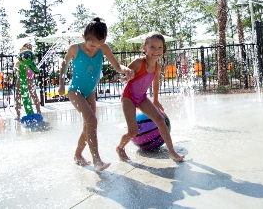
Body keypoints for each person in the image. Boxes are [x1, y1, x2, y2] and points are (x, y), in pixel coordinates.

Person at [58, 17, 134, 172]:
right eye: (92, 45)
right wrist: (61, 83)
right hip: (75, 91)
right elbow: (64, 64)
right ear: (84, 37)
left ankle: (78, 155)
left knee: (89, 125)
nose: (94, 48)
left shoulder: (103, 48)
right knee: (92, 120)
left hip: (90, 92)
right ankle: (96, 160)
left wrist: (126, 70)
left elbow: (117, 66)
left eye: (99, 44)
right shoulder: (75, 49)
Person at [116, 32, 185, 162]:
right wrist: (125, 77)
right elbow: (124, 74)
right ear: (145, 48)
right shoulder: (138, 62)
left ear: (163, 49)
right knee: (133, 131)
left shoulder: (157, 67)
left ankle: (172, 152)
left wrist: (155, 100)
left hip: (142, 97)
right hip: (128, 97)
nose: (156, 50)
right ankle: (120, 148)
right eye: (152, 47)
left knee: (160, 120)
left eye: (160, 47)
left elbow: (156, 82)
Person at [14, 43, 41, 120]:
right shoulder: (20, 59)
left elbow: (34, 69)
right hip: (20, 79)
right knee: (18, 96)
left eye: (30, 48)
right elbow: (16, 67)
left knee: (34, 95)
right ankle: (18, 114)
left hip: (30, 79)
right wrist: (18, 65)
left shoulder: (31, 58)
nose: (29, 49)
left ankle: (39, 112)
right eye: (27, 48)